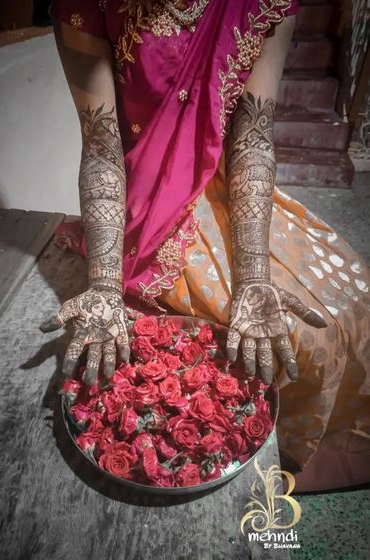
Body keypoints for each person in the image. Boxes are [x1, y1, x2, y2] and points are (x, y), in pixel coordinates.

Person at [40, 0, 370, 492]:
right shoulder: (89, 6)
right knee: (288, 345)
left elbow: (253, 137)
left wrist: (254, 277)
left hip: (220, 180)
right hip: (142, 201)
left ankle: (312, 457)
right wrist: (105, 285)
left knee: (351, 293)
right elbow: (102, 145)